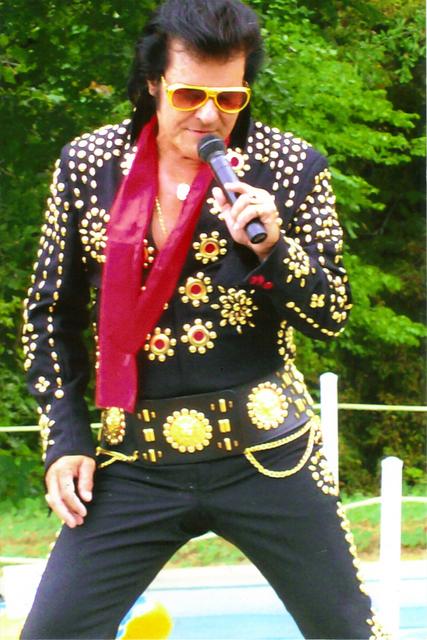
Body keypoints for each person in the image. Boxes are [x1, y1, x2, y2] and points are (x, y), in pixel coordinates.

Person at [21, 1, 388, 638]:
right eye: (190, 94)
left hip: (269, 454)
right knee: (53, 632)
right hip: (132, 458)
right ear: (153, 82)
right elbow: (49, 313)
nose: (211, 115)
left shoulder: (290, 167)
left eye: (230, 98)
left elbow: (330, 315)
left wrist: (275, 250)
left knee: (348, 630)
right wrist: (66, 438)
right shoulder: (88, 164)